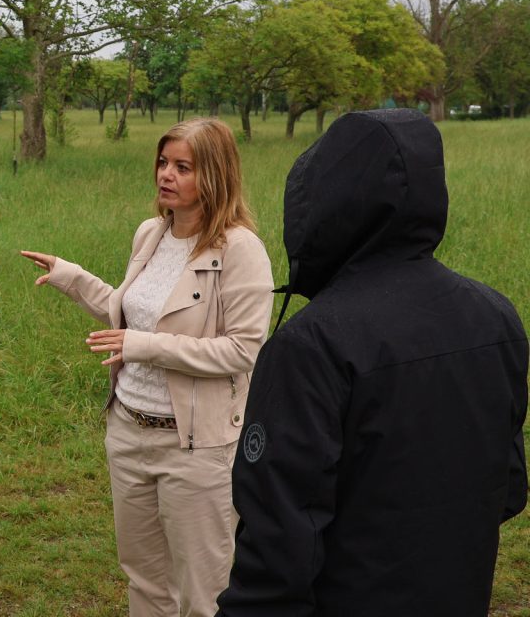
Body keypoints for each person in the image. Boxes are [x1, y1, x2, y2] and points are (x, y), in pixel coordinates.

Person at [216, 109, 529, 617]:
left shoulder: (313, 343)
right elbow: (509, 488)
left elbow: (277, 546)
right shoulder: (496, 316)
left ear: (327, 201)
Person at [21, 118, 274, 617]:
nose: (166, 175)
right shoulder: (151, 233)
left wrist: (147, 346)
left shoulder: (241, 250)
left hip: (194, 447)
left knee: (204, 592)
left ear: (217, 175)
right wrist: (70, 277)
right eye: (163, 163)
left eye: (184, 167)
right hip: (128, 431)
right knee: (144, 578)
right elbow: (129, 313)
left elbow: (243, 351)